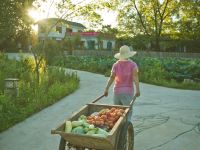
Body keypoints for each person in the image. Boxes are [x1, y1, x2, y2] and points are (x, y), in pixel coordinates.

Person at [104, 45, 140, 120]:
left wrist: (106, 89)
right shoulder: (133, 65)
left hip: (117, 92)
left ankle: (118, 129)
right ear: (129, 54)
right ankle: (126, 129)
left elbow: (112, 77)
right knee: (127, 113)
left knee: (117, 113)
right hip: (127, 92)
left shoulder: (115, 65)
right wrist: (137, 90)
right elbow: (135, 77)